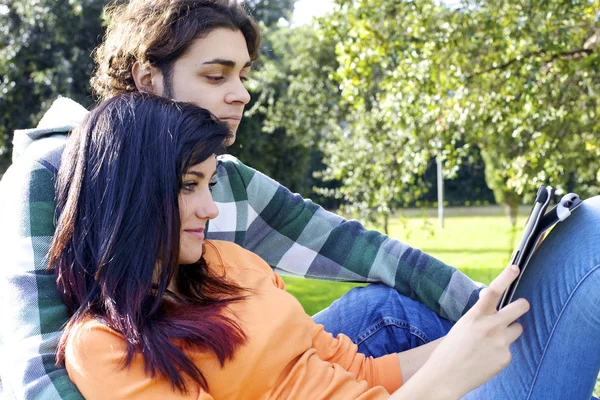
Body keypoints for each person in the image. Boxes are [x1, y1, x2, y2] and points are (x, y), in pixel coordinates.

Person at [0, 0, 598, 398]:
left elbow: (359, 250)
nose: (241, 94)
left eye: (244, 73)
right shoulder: (52, 180)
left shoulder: (232, 238)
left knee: (394, 304)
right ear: (145, 78)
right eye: (216, 76)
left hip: (317, 368)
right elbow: (45, 371)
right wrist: (444, 376)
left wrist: (488, 313)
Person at [49, 92, 524, 399]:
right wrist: (449, 377)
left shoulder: (231, 264)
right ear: (130, 192)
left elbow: (362, 372)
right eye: (189, 185)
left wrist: (463, 344)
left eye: (210, 184)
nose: (211, 209)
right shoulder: (105, 347)